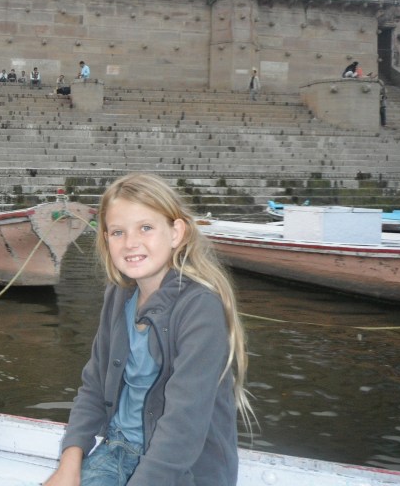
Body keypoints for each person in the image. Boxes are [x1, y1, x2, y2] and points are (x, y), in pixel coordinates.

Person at [44, 172, 253, 486]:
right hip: (118, 448)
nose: (130, 243)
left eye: (145, 227)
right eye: (117, 232)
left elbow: (183, 427)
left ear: (175, 233)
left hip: (184, 470)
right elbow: (93, 388)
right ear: (105, 239)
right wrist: (69, 463)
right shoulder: (118, 297)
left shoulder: (200, 309)